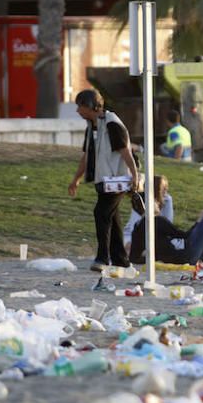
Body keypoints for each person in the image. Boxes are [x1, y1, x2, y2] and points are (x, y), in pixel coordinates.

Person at [68, 89, 140, 272]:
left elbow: (126, 152)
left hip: (117, 181)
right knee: (112, 219)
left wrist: (135, 176)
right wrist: (76, 179)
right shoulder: (92, 126)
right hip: (104, 181)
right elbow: (86, 156)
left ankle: (102, 258)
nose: (78, 111)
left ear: (91, 106)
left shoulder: (112, 124)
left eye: (80, 107)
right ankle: (121, 260)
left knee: (101, 213)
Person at [128, 197, 203, 265]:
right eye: (154, 201)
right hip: (184, 258)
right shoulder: (158, 221)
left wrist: (156, 259)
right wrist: (198, 221)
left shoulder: (137, 227)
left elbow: (133, 258)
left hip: (176, 258)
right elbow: (185, 236)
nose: (158, 203)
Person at [123, 175, 173, 253]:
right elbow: (135, 225)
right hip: (134, 233)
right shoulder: (141, 200)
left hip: (157, 234)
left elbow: (168, 222)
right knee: (131, 246)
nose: (165, 191)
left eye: (166, 188)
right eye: (163, 189)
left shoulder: (167, 199)